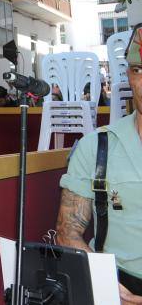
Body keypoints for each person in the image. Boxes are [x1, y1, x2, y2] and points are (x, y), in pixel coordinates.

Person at [56, 24, 142, 303]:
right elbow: (67, 233)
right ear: (129, 76)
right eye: (138, 71)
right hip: (117, 287)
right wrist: (104, 282)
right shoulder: (96, 147)